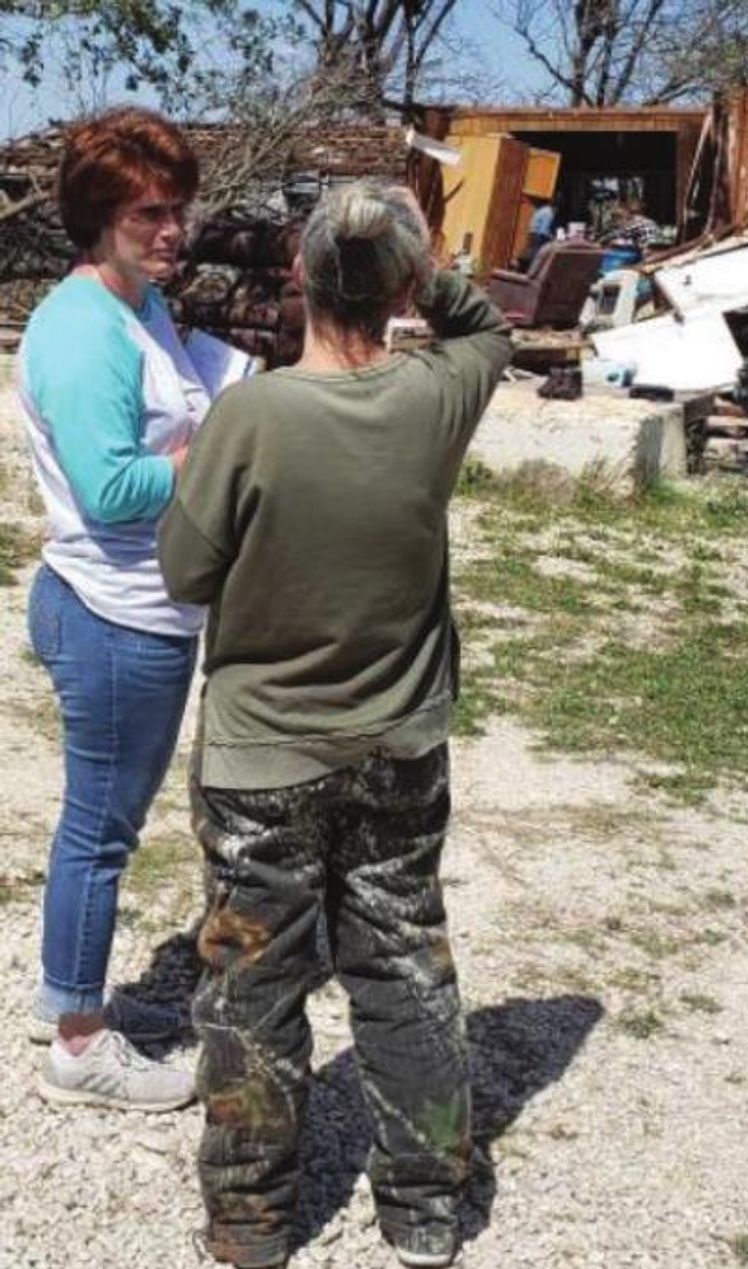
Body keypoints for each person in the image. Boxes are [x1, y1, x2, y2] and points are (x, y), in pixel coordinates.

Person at [158, 179, 512, 1269]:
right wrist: (414, 258)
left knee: (252, 987)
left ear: (298, 277)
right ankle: (422, 1212)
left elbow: (185, 572)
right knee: (404, 968)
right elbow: (487, 322)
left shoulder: (252, 415)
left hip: (262, 754)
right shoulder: (437, 393)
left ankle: (254, 1222)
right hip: (400, 740)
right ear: (405, 286)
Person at [17, 106, 210, 1113]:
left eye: (181, 209)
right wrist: (213, 462)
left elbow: (188, 391)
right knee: (98, 833)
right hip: (114, 616)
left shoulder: (137, 302)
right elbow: (113, 487)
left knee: (101, 824)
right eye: (152, 213)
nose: (175, 230)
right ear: (100, 216)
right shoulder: (84, 329)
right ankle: (81, 1042)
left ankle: (72, 996)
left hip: (137, 609)